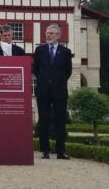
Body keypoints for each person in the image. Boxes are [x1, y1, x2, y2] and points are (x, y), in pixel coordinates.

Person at [32, 24, 72, 159]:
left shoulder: (65, 52)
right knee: (43, 120)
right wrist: (46, 81)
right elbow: (35, 69)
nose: (48, 35)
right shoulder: (40, 50)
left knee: (60, 121)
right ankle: (45, 150)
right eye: (47, 33)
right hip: (43, 91)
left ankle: (60, 151)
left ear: (58, 36)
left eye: (51, 33)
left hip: (59, 91)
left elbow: (68, 72)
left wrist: (56, 82)